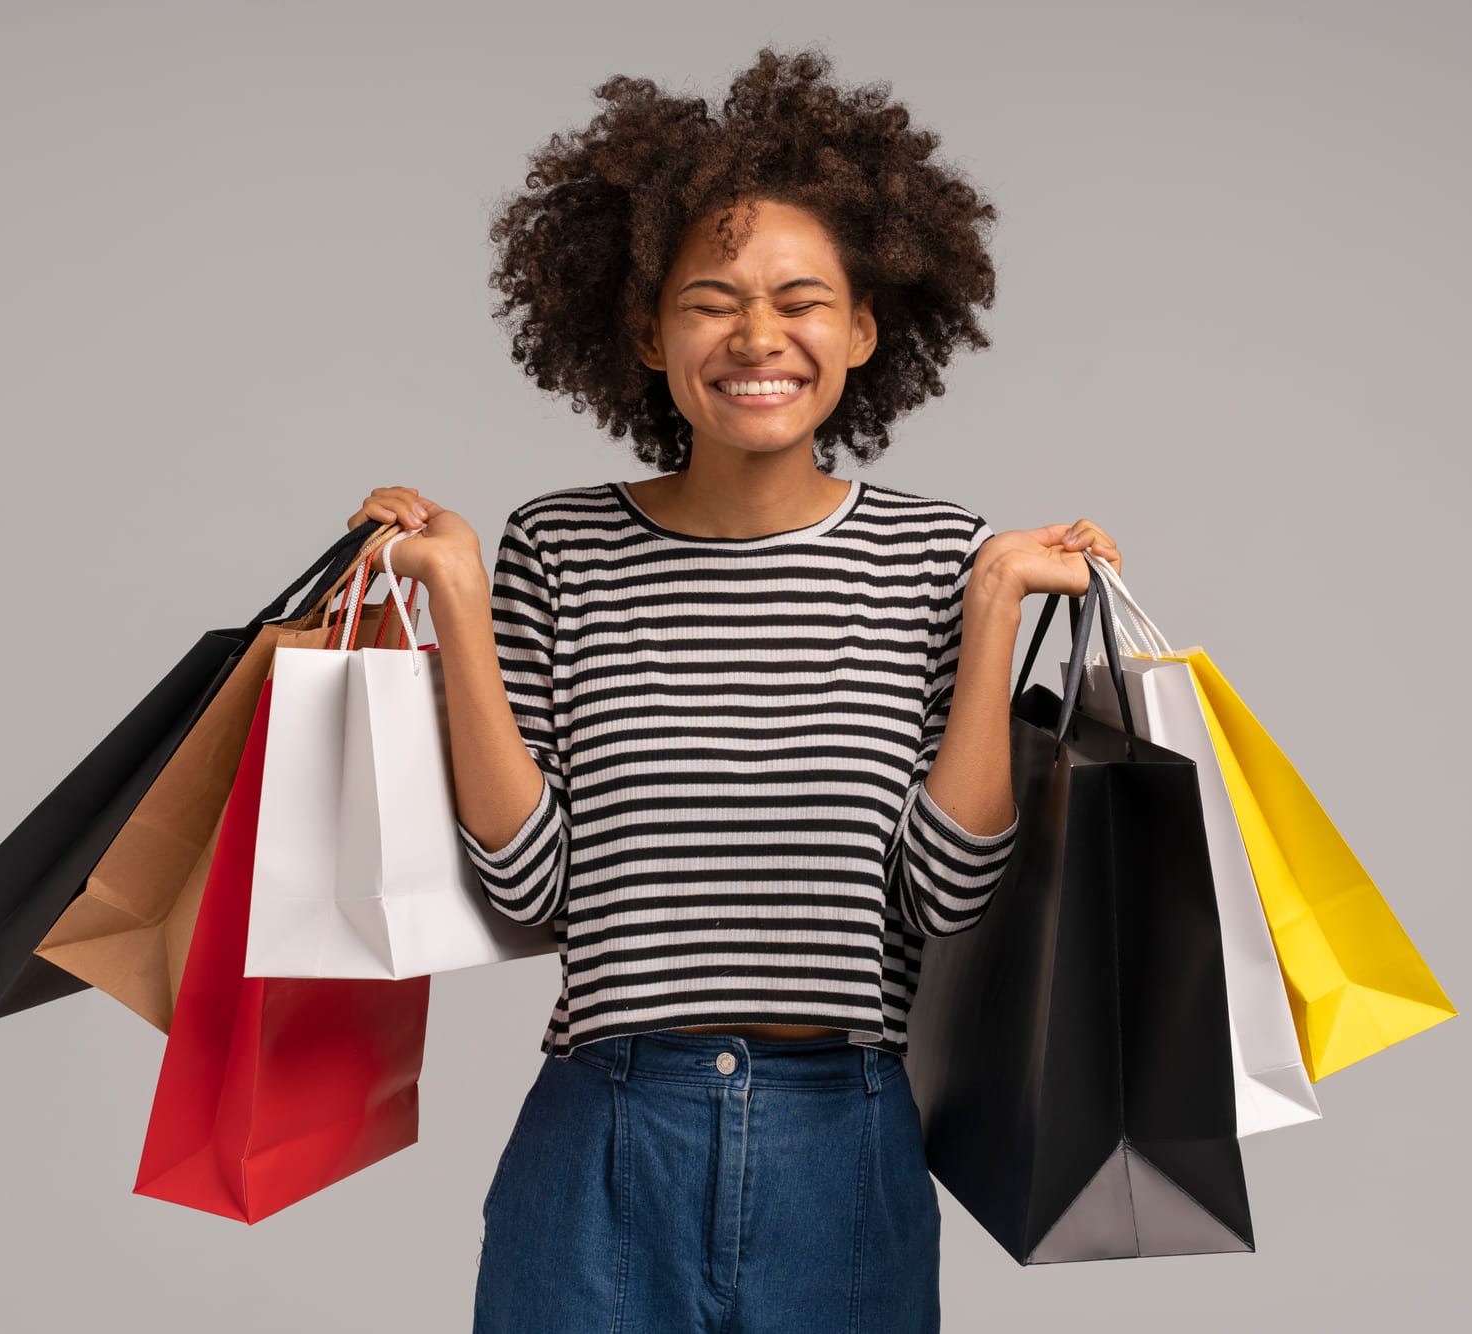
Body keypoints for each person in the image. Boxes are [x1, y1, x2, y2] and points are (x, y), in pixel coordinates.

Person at [344, 45, 1123, 1334]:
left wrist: (989, 617)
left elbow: (948, 892)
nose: (758, 337)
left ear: (866, 328)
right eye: (711, 300)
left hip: (848, 1141)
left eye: (802, 300)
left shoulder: (942, 560)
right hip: (602, 1136)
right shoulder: (558, 549)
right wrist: (462, 607)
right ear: (647, 331)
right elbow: (534, 894)